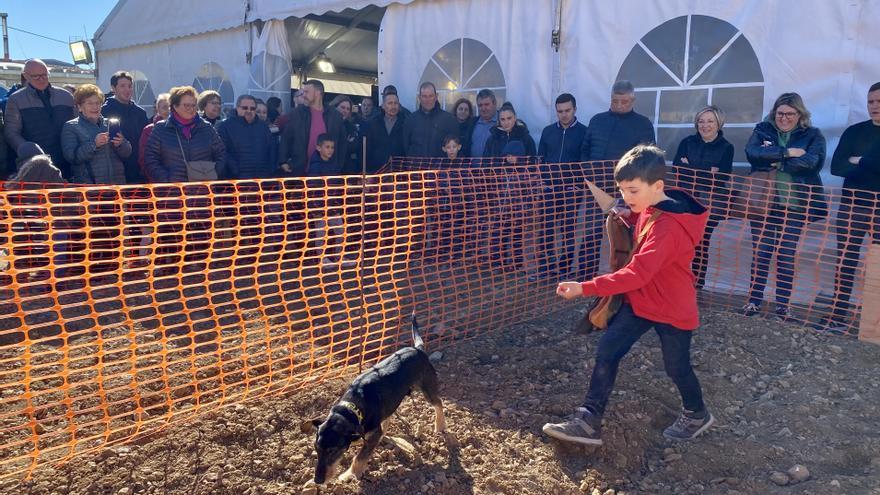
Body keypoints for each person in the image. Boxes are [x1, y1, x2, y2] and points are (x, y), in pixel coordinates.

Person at [545, 144, 713, 445]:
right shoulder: (652, 206)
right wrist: (628, 213)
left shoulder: (670, 229)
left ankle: (696, 413)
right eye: (622, 190)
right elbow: (643, 220)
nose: (626, 197)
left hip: (672, 309)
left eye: (633, 191)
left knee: (677, 367)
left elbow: (637, 273)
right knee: (608, 349)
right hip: (640, 301)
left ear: (657, 185)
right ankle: (588, 419)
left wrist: (585, 287)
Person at [743, 92, 827, 320]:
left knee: (786, 255)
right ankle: (753, 301)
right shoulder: (762, 128)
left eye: (790, 113)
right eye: (780, 113)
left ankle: (782, 305)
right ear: (774, 113)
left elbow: (812, 162)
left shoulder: (813, 134)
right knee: (761, 253)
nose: (784, 118)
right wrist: (786, 153)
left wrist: (774, 163)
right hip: (764, 204)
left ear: (800, 114)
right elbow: (752, 153)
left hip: (794, 206)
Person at [573, 80, 655, 280]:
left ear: (633, 100)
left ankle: (623, 277)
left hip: (625, 191)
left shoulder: (643, 124)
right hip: (595, 188)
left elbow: (646, 158)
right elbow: (585, 149)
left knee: (623, 235)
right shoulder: (597, 120)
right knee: (591, 233)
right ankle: (585, 276)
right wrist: (587, 172)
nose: (619, 105)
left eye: (624, 102)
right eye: (615, 101)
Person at [821, 82, 880, 333]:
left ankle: (874, 320)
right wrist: (871, 164)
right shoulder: (855, 132)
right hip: (853, 206)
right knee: (846, 261)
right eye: (871, 102)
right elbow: (837, 168)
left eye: (879, 101)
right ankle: (837, 314)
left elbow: (850, 165)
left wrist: (861, 161)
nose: (874, 107)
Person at [672, 106, 734, 288]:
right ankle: (676, 280)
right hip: (684, 200)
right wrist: (708, 171)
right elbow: (678, 170)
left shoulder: (726, 147)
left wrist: (690, 168)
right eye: (701, 121)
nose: (705, 125)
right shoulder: (687, 142)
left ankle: (697, 283)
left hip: (709, 203)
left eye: (710, 121)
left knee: (701, 242)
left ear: (718, 123)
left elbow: (721, 178)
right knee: (679, 241)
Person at [537, 93, 589, 277]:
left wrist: (578, 184)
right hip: (549, 189)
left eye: (567, 110)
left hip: (571, 191)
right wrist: (543, 182)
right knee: (546, 228)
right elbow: (541, 158)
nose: (564, 114)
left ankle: (565, 269)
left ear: (575, 109)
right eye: (560, 111)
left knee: (568, 229)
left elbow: (586, 161)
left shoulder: (584, 132)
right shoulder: (548, 131)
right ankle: (545, 267)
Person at [4, 59, 75, 178]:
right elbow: (11, 133)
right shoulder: (16, 99)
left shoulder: (66, 96)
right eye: (36, 76)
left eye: (44, 75)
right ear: (26, 76)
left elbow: (76, 124)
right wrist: (31, 154)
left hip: (68, 160)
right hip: (36, 165)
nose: (41, 79)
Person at [143, 85, 226, 183]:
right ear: (175, 106)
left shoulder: (207, 128)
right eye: (186, 105)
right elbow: (150, 158)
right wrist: (166, 178)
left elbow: (221, 154)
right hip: (173, 192)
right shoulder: (161, 129)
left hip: (203, 191)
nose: (191, 109)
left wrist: (212, 174)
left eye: (193, 105)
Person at [61, 84, 131, 184]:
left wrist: (121, 143)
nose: (95, 107)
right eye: (90, 103)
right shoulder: (71, 126)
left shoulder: (110, 123)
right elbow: (71, 157)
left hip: (116, 185)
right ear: (80, 107)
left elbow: (127, 153)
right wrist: (94, 145)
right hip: (90, 188)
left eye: (98, 103)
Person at [278, 79, 346, 176]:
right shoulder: (296, 114)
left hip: (328, 172)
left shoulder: (334, 116)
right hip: (301, 171)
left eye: (306, 92)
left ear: (318, 93)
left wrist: (339, 165)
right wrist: (283, 161)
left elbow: (342, 143)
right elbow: (286, 138)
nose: (303, 95)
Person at [101, 71, 149, 183]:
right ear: (113, 88)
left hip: (137, 168)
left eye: (130, 86)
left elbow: (145, 140)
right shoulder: (104, 110)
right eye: (122, 86)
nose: (127, 90)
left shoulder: (140, 112)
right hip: (113, 169)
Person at [217, 94, 278, 179]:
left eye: (252, 108)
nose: (249, 111)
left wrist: (271, 171)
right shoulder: (225, 126)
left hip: (261, 179)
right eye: (245, 108)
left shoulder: (263, 127)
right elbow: (222, 152)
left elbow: (271, 150)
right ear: (237, 108)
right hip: (236, 180)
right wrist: (234, 169)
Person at [401, 82, 458, 158]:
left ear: (436, 96)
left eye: (431, 96)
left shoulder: (449, 120)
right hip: (416, 168)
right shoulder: (410, 120)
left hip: (440, 168)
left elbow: (455, 148)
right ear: (419, 97)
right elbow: (405, 147)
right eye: (424, 96)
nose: (427, 100)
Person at [365, 91, 406, 172]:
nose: (393, 106)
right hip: (376, 171)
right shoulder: (373, 123)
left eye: (396, 103)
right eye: (390, 103)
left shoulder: (405, 123)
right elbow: (367, 149)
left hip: (398, 172)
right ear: (383, 106)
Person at [138, 93, 171, 175]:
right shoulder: (148, 130)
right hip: (157, 181)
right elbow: (144, 159)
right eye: (164, 107)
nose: (168, 111)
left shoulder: (182, 128)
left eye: (171, 107)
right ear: (158, 110)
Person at [332, 95, 361, 174]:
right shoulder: (327, 123)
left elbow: (354, 146)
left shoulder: (351, 127)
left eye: (348, 109)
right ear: (335, 107)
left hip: (346, 169)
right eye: (342, 107)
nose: (345, 111)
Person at [466, 89, 499, 158]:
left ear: (495, 103)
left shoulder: (503, 122)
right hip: (472, 168)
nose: (483, 108)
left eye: (486, 104)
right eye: (480, 105)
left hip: (494, 168)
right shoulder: (472, 123)